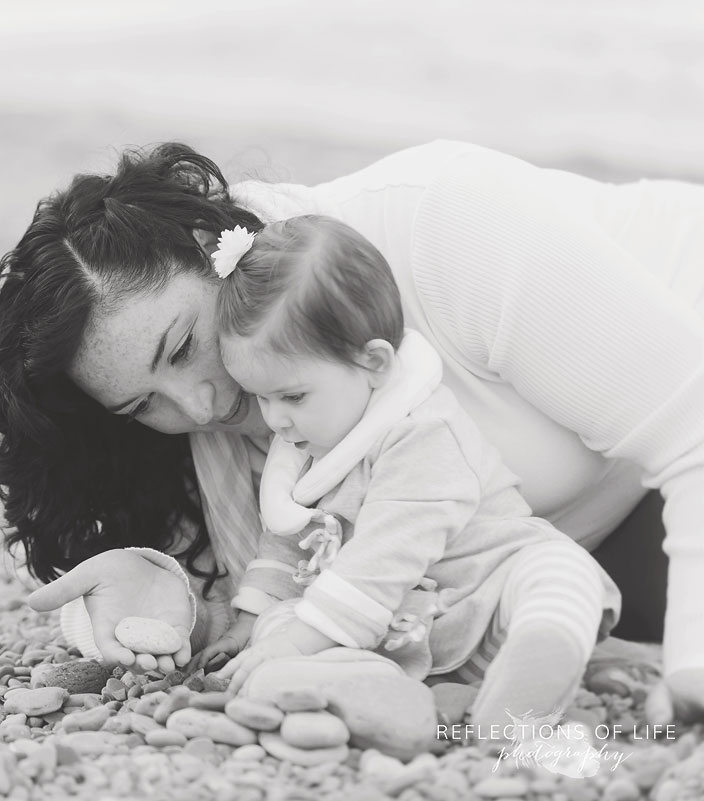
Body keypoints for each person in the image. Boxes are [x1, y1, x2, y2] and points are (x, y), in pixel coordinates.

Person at [0, 139, 704, 721]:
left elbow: (693, 425)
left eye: (182, 347)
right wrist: (177, 602)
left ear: (217, 245)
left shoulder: (441, 223)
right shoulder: (234, 421)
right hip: (601, 539)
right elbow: (308, 576)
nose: (202, 406)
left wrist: (692, 675)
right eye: (142, 406)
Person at [184, 214, 620, 731]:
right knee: (280, 629)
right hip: (401, 631)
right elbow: (286, 545)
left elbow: (386, 554)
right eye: (260, 396)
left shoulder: (423, 432)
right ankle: (379, 689)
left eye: (292, 396)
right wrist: (255, 620)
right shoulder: (308, 441)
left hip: (485, 598)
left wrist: (300, 640)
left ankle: (534, 667)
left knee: (555, 570)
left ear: (374, 362)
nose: (274, 418)